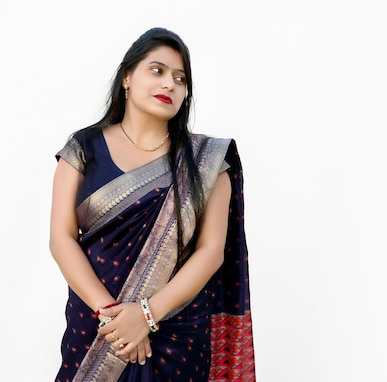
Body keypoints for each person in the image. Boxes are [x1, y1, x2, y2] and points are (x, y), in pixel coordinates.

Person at [49, 27, 255, 381]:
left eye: (180, 78)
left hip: (177, 334)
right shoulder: (83, 148)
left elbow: (211, 251)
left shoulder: (207, 162)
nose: (170, 84)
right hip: (96, 329)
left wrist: (145, 316)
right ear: (127, 77)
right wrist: (115, 318)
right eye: (157, 70)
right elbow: (61, 238)